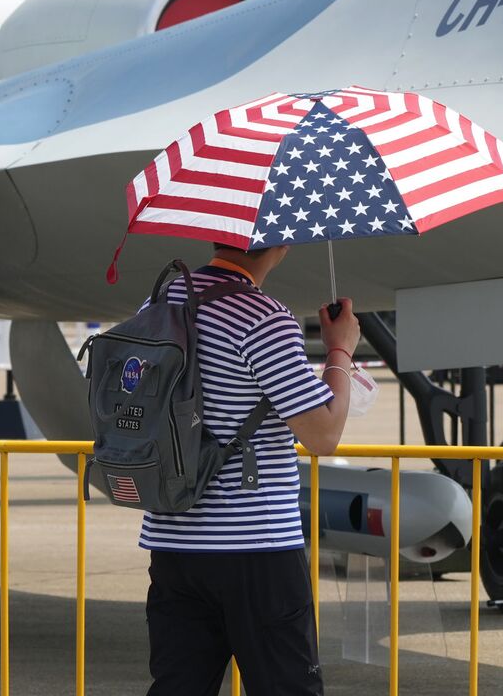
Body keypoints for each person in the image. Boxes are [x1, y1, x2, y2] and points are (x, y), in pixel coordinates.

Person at [140, 242, 358, 695]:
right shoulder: (261, 317)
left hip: (172, 539)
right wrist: (340, 352)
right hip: (257, 544)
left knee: (178, 686)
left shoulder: (161, 302)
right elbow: (322, 434)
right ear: (279, 242)